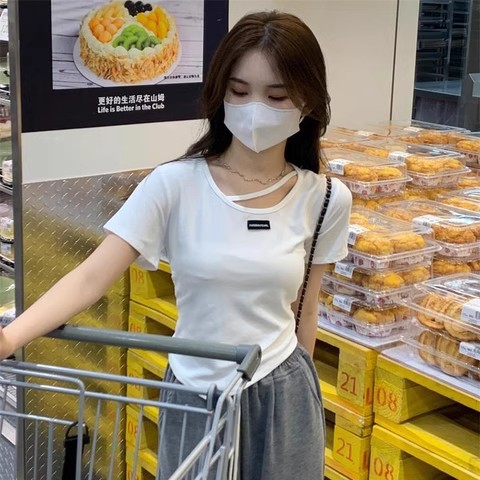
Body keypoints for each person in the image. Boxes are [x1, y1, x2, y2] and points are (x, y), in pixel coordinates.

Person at [0, 10, 352, 480]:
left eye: (276, 96)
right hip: (194, 393)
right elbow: (90, 277)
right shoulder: (174, 185)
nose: (254, 108)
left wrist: (302, 398)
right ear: (220, 93)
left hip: (281, 393)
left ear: (307, 101)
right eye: (239, 91)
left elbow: (305, 312)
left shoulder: (326, 198)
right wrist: (10, 337)